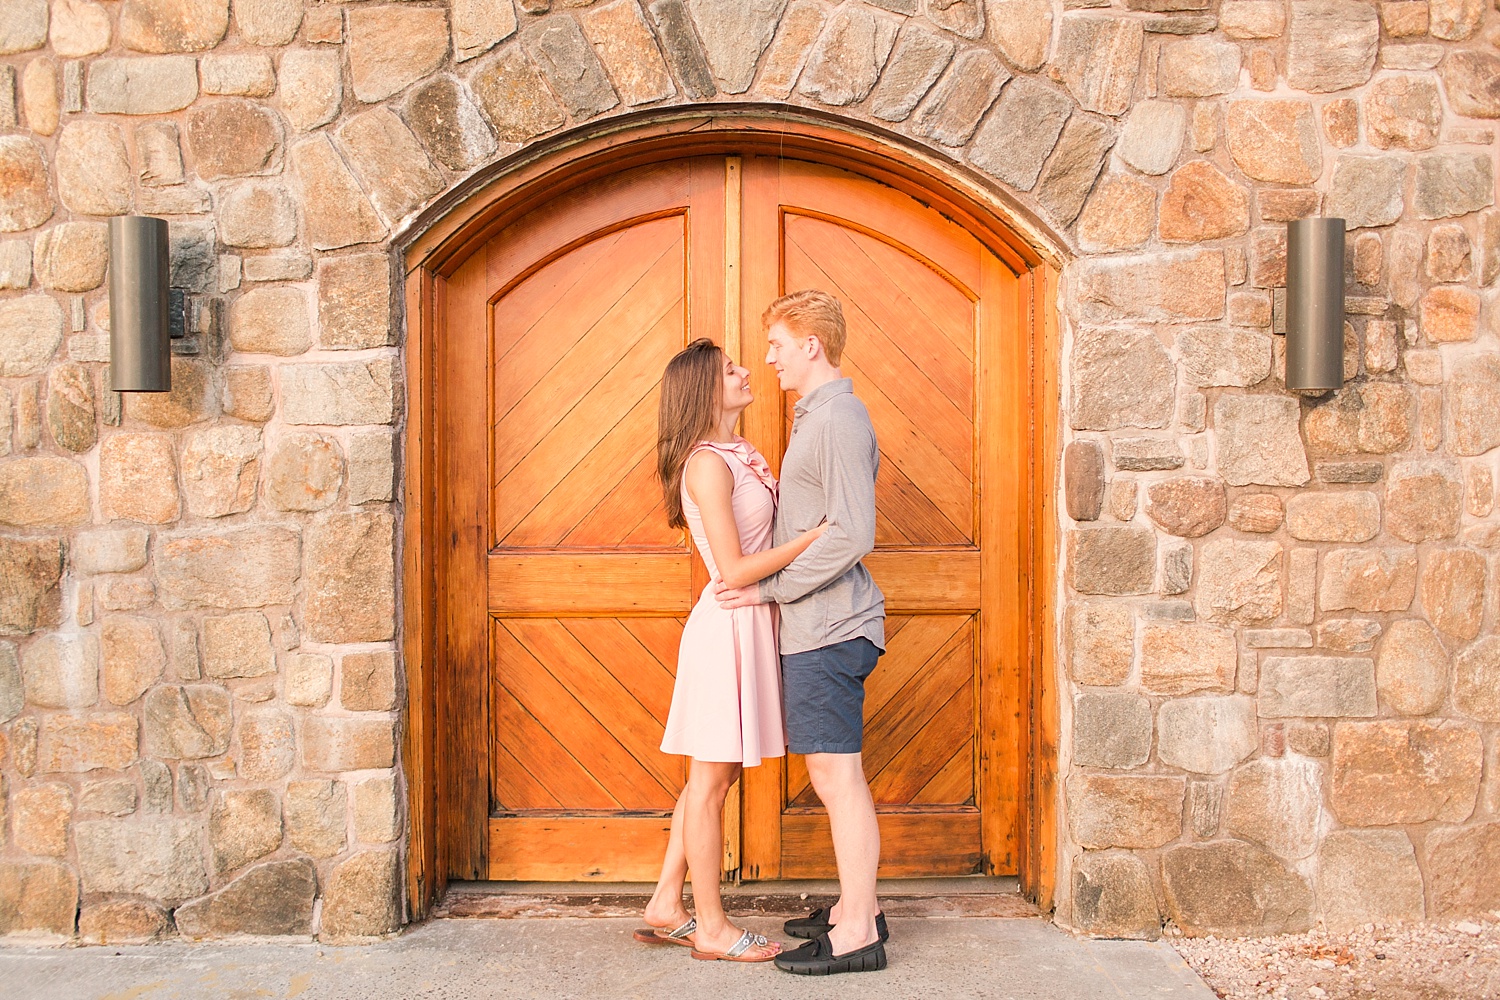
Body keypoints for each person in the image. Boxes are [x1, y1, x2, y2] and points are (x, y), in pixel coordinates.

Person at [636, 338, 828, 964]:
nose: (747, 372)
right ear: (702, 391)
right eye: (729, 370)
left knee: (705, 780)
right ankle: (713, 929)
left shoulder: (738, 453)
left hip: (751, 623)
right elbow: (738, 568)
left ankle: (668, 902)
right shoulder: (706, 465)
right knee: (712, 784)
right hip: (727, 632)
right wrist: (818, 540)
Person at [716, 290, 889, 976]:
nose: (768, 359)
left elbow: (851, 532)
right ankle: (853, 909)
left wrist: (767, 588)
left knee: (836, 776)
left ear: (811, 345)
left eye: (778, 346)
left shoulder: (838, 418)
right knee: (830, 772)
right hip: (814, 625)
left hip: (831, 626)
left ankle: (860, 932)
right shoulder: (815, 417)